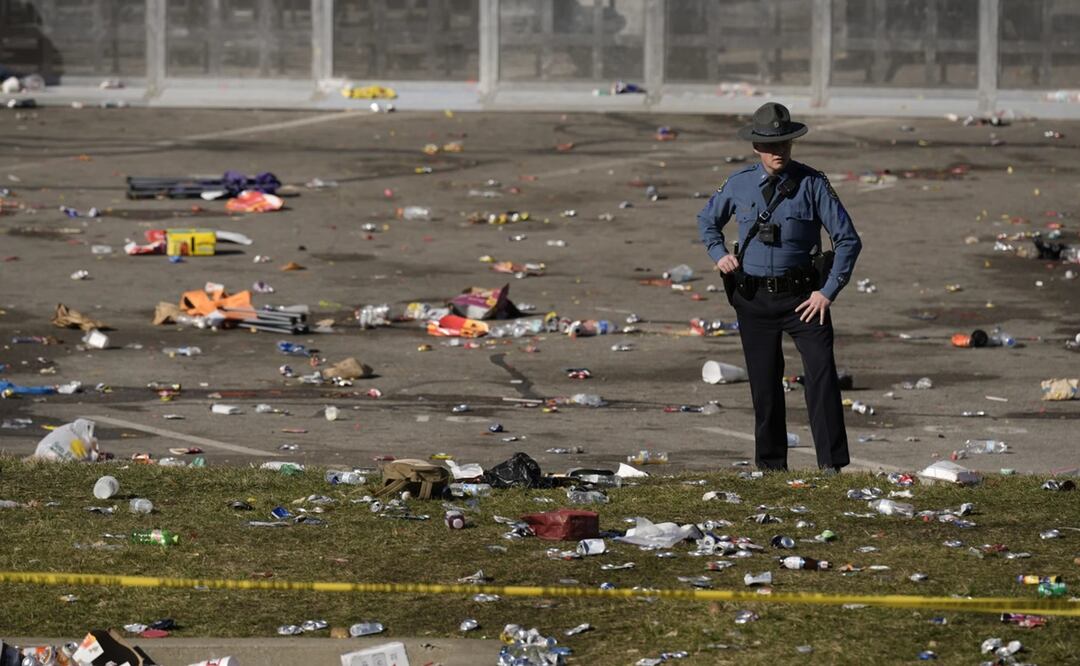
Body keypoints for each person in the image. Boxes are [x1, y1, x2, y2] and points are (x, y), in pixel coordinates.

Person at [697, 102, 862, 472]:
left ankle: (831, 465)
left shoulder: (813, 184)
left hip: (805, 300)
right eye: (770, 146)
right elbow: (707, 220)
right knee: (764, 386)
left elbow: (848, 240)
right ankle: (771, 467)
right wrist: (718, 253)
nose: (778, 152)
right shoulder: (738, 184)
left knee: (821, 378)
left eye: (784, 144)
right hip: (753, 299)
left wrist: (828, 291)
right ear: (756, 147)